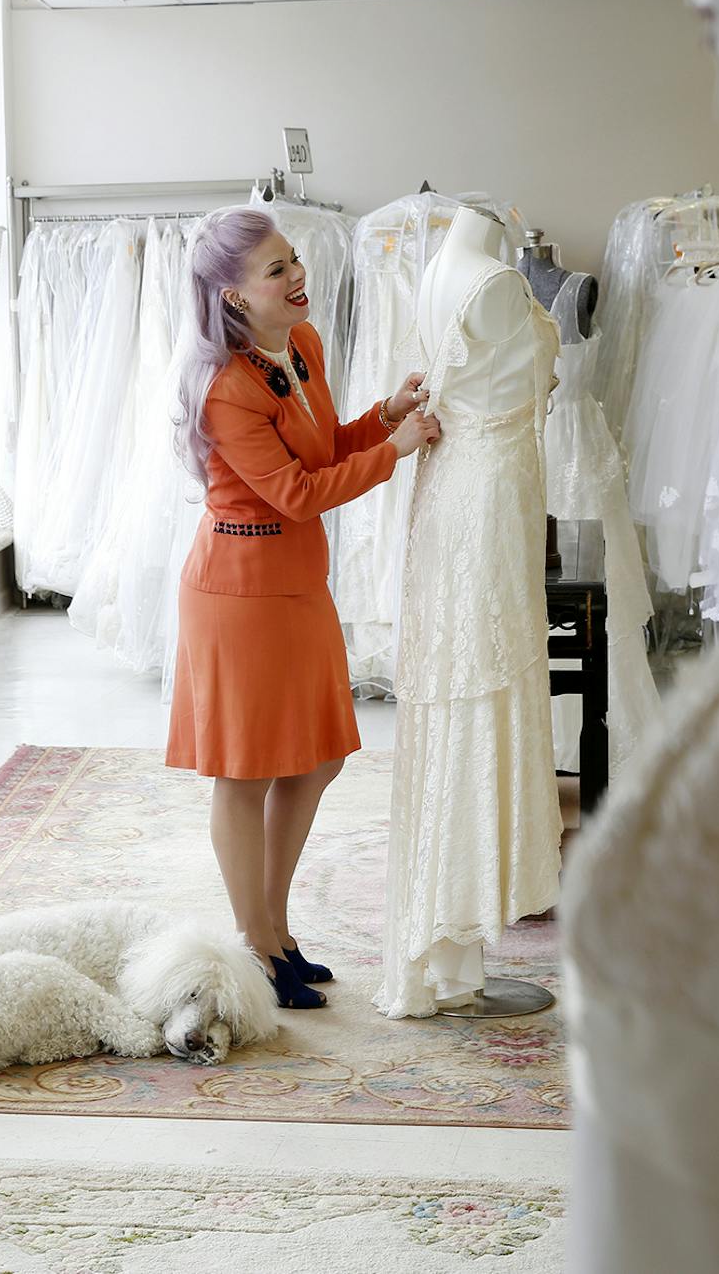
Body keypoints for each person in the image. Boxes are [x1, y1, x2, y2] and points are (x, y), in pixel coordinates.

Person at [165, 207, 438, 1009]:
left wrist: (384, 418)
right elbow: (295, 493)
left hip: (296, 583)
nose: (297, 276)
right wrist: (394, 454)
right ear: (234, 297)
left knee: (316, 758)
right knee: (245, 773)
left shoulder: (303, 344)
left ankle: (275, 928)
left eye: (293, 260)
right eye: (276, 269)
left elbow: (320, 448)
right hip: (239, 594)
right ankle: (257, 943)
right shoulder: (226, 387)